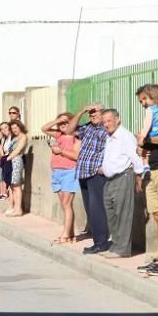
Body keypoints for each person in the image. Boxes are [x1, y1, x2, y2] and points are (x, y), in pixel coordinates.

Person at [135, 84, 158, 275]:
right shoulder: (150, 115)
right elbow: (142, 145)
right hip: (152, 169)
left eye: (144, 99)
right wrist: (140, 148)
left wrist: (148, 140)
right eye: (140, 101)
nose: (142, 104)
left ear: (153, 95)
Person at [98, 109, 145, 258]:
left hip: (123, 177)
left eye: (109, 120)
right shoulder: (109, 137)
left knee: (123, 213)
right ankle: (117, 244)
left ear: (117, 119)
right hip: (110, 180)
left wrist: (138, 177)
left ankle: (123, 249)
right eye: (103, 121)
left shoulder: (125, 136)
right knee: (111, 213)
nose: (106, 124)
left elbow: (135, 157)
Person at [72, 103, 110, 253]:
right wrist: (81, 110)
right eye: (91, 113)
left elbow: (113, 149)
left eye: (96, 112)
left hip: (95, 174)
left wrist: (104, 167)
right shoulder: (87, 127)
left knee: (97, 209)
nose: (92, 115)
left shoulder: (106, 129)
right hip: (83, 173)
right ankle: (97, 241)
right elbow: (70, 130)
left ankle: (101, 242)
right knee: (89, 210)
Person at [40, 113, 80, 243]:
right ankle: (70, 233)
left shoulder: (76, 137)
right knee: (65, 206)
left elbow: (76, 156)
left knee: (66, 204)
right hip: (57, 173)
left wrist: (61, 151)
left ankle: (65, 235)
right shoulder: (59, 135)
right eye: (61, 123)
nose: (63, 125)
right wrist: (57, 120)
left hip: (69, 172)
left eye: (66, 122)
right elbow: (44, 129)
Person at [4, 119, 28, 217]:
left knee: (17, 186)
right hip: (10, 162)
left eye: (15, 127)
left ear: (20, 127)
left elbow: (17, 150)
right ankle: (14, 207)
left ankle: (19, 209)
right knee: (13, 186)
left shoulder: (23, 137)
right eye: (12, 128)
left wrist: (7, 158)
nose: (14, 130)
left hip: (17, 161)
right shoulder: (14, 138)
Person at [0, 121, 12, 201]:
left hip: (12, 160)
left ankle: (12, 202)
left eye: (5, 127)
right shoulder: (3, 139)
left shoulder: (13, 137)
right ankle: (10, 201)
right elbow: (0, 153)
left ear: (9, 127)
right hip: (6, 161)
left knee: (11, 182)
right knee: (7, 180)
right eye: (2, 129)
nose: (4, 130)